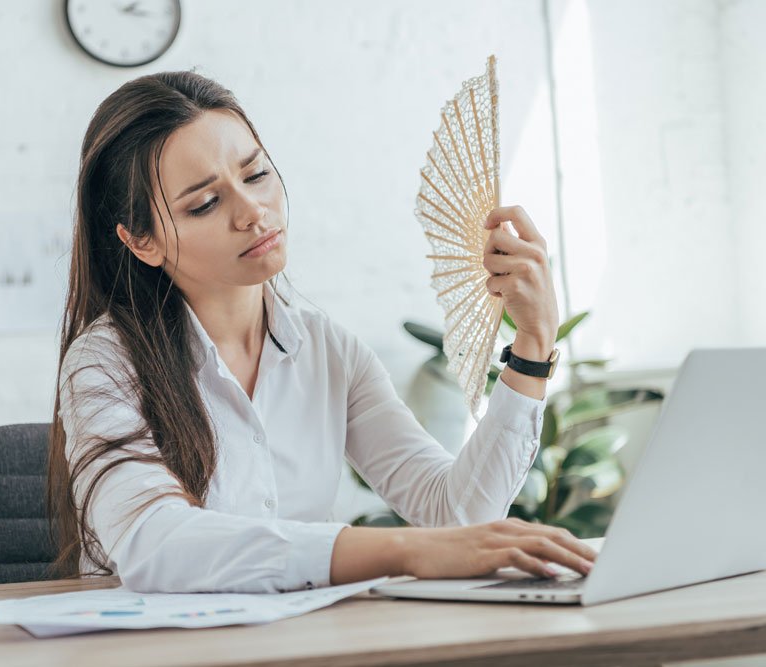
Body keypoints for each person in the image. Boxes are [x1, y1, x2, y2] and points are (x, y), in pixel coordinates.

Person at [46, 71, 597, 594]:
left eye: (256, 174)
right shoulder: (105, 362)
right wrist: (399, 551)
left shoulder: (330, 352)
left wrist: (532, 345)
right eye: (206, 203)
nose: (253, 212)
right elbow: (154, 542)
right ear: (143, 241)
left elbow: (457, 514)